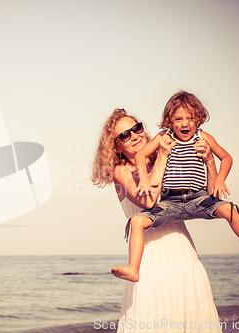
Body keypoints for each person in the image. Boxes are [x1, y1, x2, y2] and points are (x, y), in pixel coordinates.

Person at [111, 91, 239, 283]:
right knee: (136, 222)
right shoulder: (163, 138)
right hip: (170, 202)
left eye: (190, 118)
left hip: (198, 198)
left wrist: (220, 177)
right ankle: (133, 268)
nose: (184, 124)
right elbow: (140, 156)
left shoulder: (203, 137)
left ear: (199, 119)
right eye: (178, 119)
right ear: (169, 120)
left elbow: (227, 157)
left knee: (230, 209)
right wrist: (144, 180)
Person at [92, 108, 222, 332]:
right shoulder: (121, 171)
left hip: (180, 246)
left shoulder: (170, 158)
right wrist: (161, 157)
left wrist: (209, 160)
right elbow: (149, 201)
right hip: (149, 255)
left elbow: (209, 194)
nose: (134, 136)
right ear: (116, 146)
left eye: (137, 128)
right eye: (124, 135)